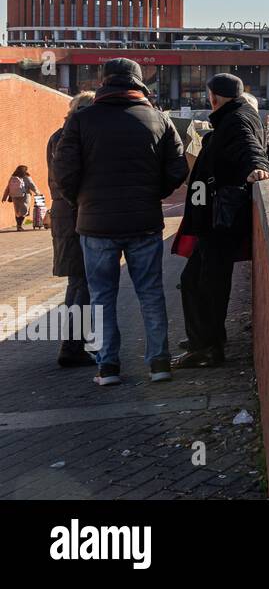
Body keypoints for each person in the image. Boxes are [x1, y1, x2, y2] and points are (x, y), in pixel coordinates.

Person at [52, 59, 189, 386]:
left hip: (95, 225)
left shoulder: (82, 121)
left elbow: (64, 173)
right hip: (144, 222)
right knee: (151, 293)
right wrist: (152, 194)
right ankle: (159, 363)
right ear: (138, 83)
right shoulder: (158, 120)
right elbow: (177, 169)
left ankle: (108, 367)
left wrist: (81, 202)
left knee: (101, 297)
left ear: (104, 82)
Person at [172, 74, 269, 368]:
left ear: (214, 97)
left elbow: (250, 149)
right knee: (198, 281)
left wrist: (256, 166)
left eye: (209, 96)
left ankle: (207, 347)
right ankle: (204, 339)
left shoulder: (237, 119)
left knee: (205, 283)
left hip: (219, 219)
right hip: (217, 216)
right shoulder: (240, 116)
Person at [47, 92, 98, 367]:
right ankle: (72, 346)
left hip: (64, 216)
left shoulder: (58, 135)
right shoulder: (72, 136)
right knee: (84, 283)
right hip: (77, 214)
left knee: (77, 282)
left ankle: (73, 343)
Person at [3, 166, 38, 231]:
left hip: (15, 197)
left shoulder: (12, 177)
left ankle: (19, 226)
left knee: (17, 212)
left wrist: (4, 197)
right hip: (25, 196)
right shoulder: (27, 177)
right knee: (24, 211)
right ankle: (19, 226)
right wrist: (38, 193)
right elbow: (32, 186)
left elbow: (8, 188)